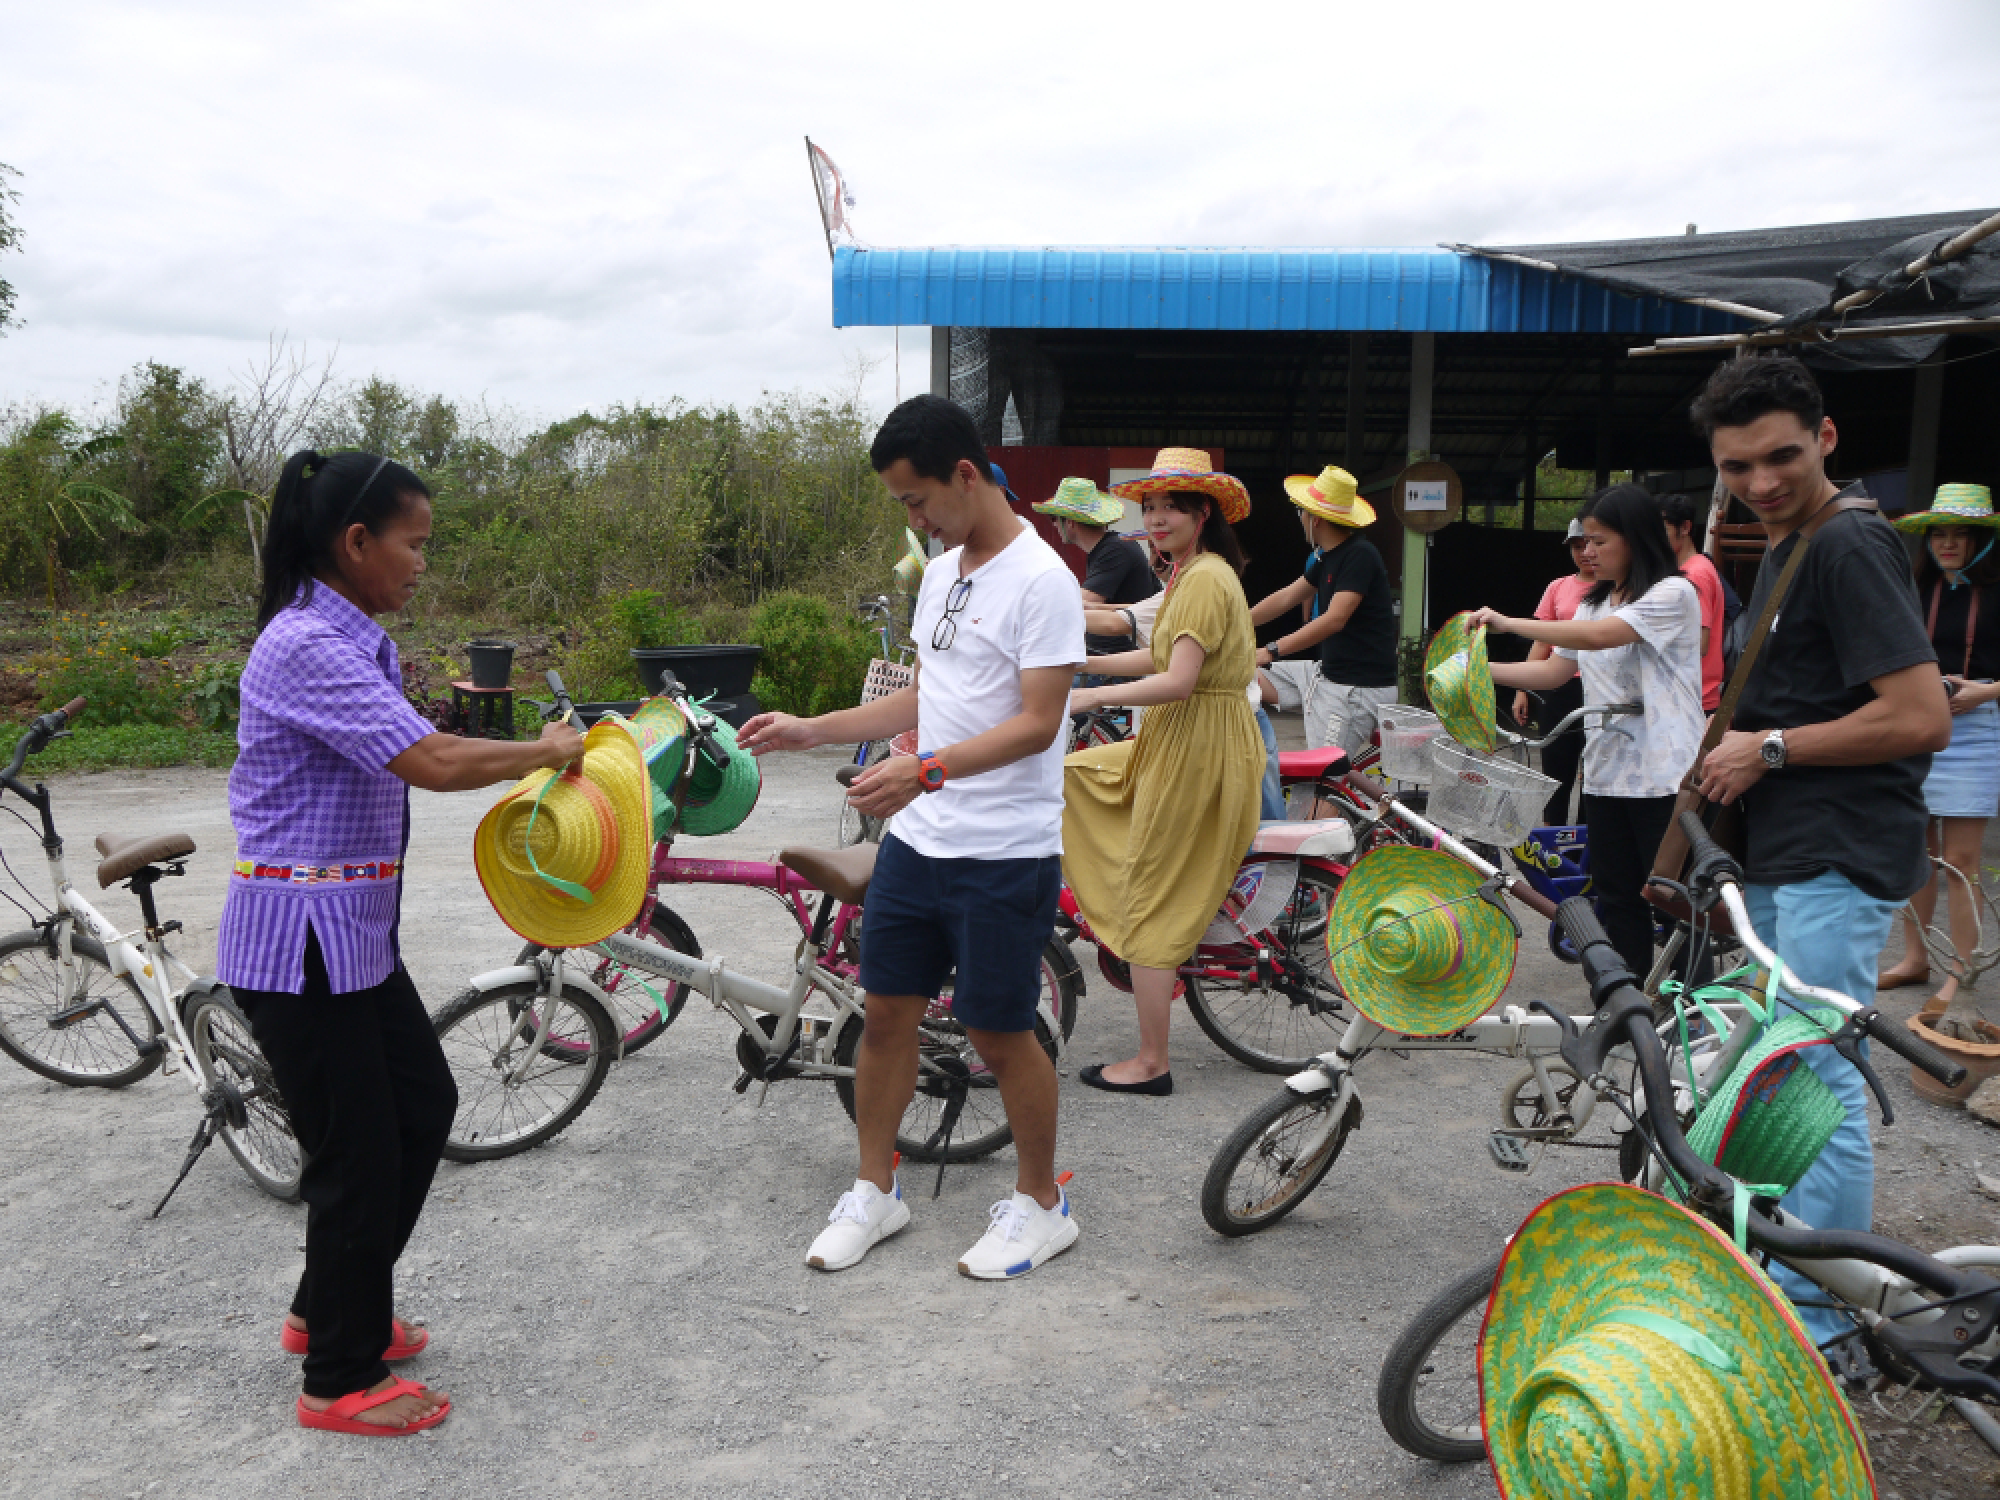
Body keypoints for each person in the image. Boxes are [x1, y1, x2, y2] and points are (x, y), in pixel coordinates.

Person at [222, 450, 584, 1435]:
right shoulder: (305, 643)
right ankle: (339, 1378)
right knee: (357, 1154)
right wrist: (543, 752)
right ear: (354, 543)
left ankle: (325, 1312)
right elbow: (427, 759)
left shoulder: (349, 640)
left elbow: (416, 746)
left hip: (345, 939)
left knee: (421, 1106)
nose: (423, 562)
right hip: (298, 943)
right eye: (412, 543)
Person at [738, 395, 1083, 1280]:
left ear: (965, 474)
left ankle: (1044, 1206)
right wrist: (813, 728)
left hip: (1003, 849)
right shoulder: (940, 572)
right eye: (902, 505)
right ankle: (874, 1189)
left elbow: (1040, 723)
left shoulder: (1042, 582)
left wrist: (927, 772)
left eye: (917, 500)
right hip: (919, 844)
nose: (913, 519)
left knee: (998, 1027)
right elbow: (930, 696)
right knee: (885, 1014)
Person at [1688, 355, 1951, 1347]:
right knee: (1788, 1074)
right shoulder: (1794, 543)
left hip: (1836, 852)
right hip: (1800, 853)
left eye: (1780, 456)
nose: (1759, 481)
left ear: (1825, 439)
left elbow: (1917, 714)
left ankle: (1822, 1320)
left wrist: (1768, 747)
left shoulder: (1844, 545)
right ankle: (1792, 1278)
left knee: (1820, 1081)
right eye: (1737, 466)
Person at [1062, 448, 1264, 1093]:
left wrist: (1091, 695)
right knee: (1074, 774)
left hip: (1199, 744)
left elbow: (1177, 682)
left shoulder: (1203, 578)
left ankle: (1152, 1064)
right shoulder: (1188, 573)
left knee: (1153, 895)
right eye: (1148, 507)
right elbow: (1152, 656)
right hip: (1187, 738)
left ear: (1201, 514)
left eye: (1170, 507)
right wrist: (1075, 665)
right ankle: (1107, 910)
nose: (1155, 517)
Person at [1468, 484, 1704, 983]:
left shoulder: (1673, 593)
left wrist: (1509, 622)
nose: (1588, 552)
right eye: (1584, 542)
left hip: (1666, 773)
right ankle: (1628, 994)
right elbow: (1554, 673)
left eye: (1599, 541)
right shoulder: (1592, 604)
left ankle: (1688, 1001)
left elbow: (1605, 637)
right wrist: (1478, 670)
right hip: (1606, 770)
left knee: (1670, 895)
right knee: (1617, 893)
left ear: (1636, 538)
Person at [1879, 483, 2000, 1018]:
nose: (1948, 544)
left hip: (1977, 729)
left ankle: (1960, 970)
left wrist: (1986, 691)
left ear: (1979, 541)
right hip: (1918, 724)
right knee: (1917, 852)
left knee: (1962, 861)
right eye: (1939, 535)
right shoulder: (1915, 588)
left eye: (1959, 535)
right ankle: (1915, 959)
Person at [1084, 591, 1285, 821]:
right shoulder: (1187, 585)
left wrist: (1095, 693)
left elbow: (1176, 679)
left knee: (1254, 830)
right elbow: (1160, 655)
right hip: (1225, 723)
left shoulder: (1201, 585)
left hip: (1221, 728)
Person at [1248, 466, 1399, 758]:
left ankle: (1325, 799)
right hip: (1325, 673)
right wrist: (1236, 620)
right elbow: (1287, 597)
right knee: (1239, 671)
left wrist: (1272, 649)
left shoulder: (1360, 555)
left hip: (1355, 689)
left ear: (1314, 519)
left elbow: (1334, 619)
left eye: (1300, 512)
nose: (1300, 519)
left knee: (1319, 778)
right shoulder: (1327, 556)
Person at [1510, 513, 1597, 825]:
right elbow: (1541, 641)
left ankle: (1589, 840)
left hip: (1600, 686)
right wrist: (1523, 690)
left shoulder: (1618, 588)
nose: (1585, 552)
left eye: (1591, 543)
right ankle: (1553, 837)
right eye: (1576, 546)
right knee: (1556, 764)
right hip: (1561, 685)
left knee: (1595, 768)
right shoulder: (1559, 587)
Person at [1034, 476, 1161, 665]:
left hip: (1113, 665)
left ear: (1070, 522)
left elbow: (1080, 603)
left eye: (1054, 518)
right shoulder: (1108, 548)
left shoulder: (1115, 549)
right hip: (1110, 661)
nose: (1053, 525)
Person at [1660, 492, 1727, 711]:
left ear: (1685, 528)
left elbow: (1699, 642)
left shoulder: (1694, 574)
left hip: (1693, 698)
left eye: (1663, 530)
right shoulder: (1688, 569)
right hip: (1689, 694)